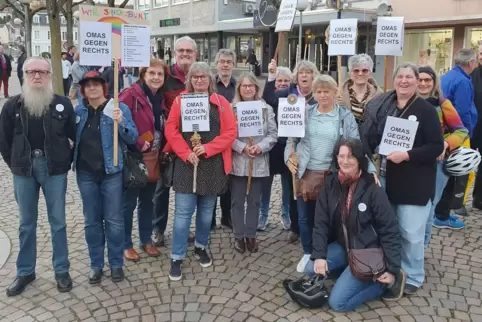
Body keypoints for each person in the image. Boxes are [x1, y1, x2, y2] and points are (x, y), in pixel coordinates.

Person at [361, 62, 444, 294]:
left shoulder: (426, 110)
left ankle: (413, 276)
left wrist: (408, 155)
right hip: (387, 179)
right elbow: (373, 135)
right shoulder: (386, 106)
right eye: (401, 77)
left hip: (414, 183)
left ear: (418, 82)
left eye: (409, 77)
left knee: (411, 232)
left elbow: (436, 146)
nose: (404, 81)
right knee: (390, 229)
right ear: (394, 80)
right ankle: (392, 268)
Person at [0, 57, 76, 296]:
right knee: (26, 223)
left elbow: (73, 137)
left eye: (42, 72)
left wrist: (65, 162)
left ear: (50, 75)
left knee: (58, 222)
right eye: (31, 72)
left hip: (53, 169)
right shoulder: (12, 106)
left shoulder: (62, 104)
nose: (37, 76)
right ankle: (25, 271)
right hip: (23, 169)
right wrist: (15, 164)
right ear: (23, 74)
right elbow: (3, 141)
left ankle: (61, 269)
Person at [286, 74, 375, 274]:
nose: (323, 95)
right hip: (306, 171)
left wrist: (370, 168)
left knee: (330, 216)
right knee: (304, 217)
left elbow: (355, 144)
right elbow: (291, 140)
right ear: (314, 93)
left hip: (333, 173)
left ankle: (327, 252)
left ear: (335, 93)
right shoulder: (304, 113)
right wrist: (289, 158)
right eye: (319, 91)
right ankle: (308, 251)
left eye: (327, 91)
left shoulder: (344, 116)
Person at [305, 138, 405, 311]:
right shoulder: (330, 184)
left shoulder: (373, 189)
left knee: (338, 303)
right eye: (341, 156)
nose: (345, 161)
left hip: (367, 251)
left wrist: (392, 268)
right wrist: (320, 255)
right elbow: (320, 223)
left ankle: (380, 285)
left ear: (359, 159)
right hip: (344, 247)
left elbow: (389, 230)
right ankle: (350, 272)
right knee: (310, 268)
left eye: (350, 157)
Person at [164, 62, 237, 281]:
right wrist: (186, 152)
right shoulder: (180, 101)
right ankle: (177, 256)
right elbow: (171, 129)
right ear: (189, 80)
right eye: (194, 77)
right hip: (187, 165)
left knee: (206, 214)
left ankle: (201, 246)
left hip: (212, 165)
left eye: (202, 76)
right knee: (183, 214)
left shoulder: (221, 103)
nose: (199, 80)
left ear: (210, 79)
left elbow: (230, 132)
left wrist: (208, 148)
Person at [73, 71, 138, 284]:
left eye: (96, 84)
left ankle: (117, 263)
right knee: (92, 221)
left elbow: (132, 137)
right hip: (86, 174)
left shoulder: (117, 107)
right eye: (87, 85)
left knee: (114, 221)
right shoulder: (79, 111)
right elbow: (69, 138)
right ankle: (96, 264)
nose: (92, 88)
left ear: (104, 87)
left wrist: (122, 122)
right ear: (82, 89)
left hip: (112, 173)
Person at [262, 60, 319, 242]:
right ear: (296, 76)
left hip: (314, 148)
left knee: (311, 187)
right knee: (293, 186)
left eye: (308, 72)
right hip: (291, 147)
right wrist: (271, 77)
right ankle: (295, 226)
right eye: (301, 72)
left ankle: (313, 226)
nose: (304, 75)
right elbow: (270, 99)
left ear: (313, 76)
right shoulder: (289, 93)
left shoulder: (318, 95)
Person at [153, 36, 198, 247]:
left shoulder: (200, 76)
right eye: (181, 50)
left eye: (189, 51)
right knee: (161, 189)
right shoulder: (165, 76)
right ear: (175, 52)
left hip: (191, 145)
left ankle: (183, 227)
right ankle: (157, 229)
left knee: (186, 189)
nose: (185, 54)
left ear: (195, 54)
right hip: (166, 144)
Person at [120, 58, 167, 261]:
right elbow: (117, 119)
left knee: (148, 201)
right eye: (152, 73)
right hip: (134, 155)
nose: (156, 77)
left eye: (160, 74)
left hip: (153, 156)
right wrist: (137, 141)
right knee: (129, 203)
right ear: (143, 75)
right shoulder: (131, 94)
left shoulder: (159, 98)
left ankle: (146, 240)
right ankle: (126, 244)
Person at [418, 66, 468, 240]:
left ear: (434, 83)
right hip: (410, 162)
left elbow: (461, 131)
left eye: (427, 80)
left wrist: (445, 144)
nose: (423, 83)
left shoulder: (442, 103)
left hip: (436, 164)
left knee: (429, 206)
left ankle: (422, 246)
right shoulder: (404, 101)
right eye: (420, 79)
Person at [231, 72, 277, 253]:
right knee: (237, 201)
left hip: (258, 161)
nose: (248, 88)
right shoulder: (231, 108)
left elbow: (273, 134)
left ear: (256, 89)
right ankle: (238, 235)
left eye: (251, 86)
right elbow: (227, 135)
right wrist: (242, 147)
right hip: (239, 161)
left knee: (254, 201)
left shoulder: (266, 109)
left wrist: (260, 147)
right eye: (244, 86)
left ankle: (251, 235)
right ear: (239, 89)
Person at [439, 48, 478, 217]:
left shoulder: (446, 76)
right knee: (463, 171)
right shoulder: (463, 81)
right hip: (457, 134)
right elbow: (463, 111)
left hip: (446, 133)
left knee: (446, 171)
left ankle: (442, 208)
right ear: (470, 63)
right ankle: (456, 205)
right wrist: (466, 133)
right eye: (475, 61)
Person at [259, 64, 293, 231]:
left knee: (287, 184)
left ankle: (286, 214)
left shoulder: (293, 97)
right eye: (279, 80)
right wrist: (271, 77)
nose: (283, 83)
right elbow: (270, 97)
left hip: (288, 144)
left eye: (286, 80)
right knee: (266, 182)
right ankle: (263, 214)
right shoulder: (269, 97)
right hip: (271, 145)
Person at [212, 48, 237, 229]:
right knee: (212, 182)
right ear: (217, 64)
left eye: (229, 62)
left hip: (233, 141)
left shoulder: (239, 85)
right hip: (213, 140)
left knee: (230, 182)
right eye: (222, 62)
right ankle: (210, 219)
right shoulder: (209, 84)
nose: (225, 65)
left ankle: (227, 217)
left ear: (234, 65)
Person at [339, 54, 381, 124]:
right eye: (356, 70)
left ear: (370, 73)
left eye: (365, 70)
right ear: (350, 73)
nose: (360, 73)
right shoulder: (339, 94)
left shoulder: (379, 96)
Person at [472, 44, 482, 209]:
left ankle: (478, 198)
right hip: (474, 127)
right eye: (481, 53)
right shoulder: (473, 74)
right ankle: (456, 200)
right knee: (467, 162)